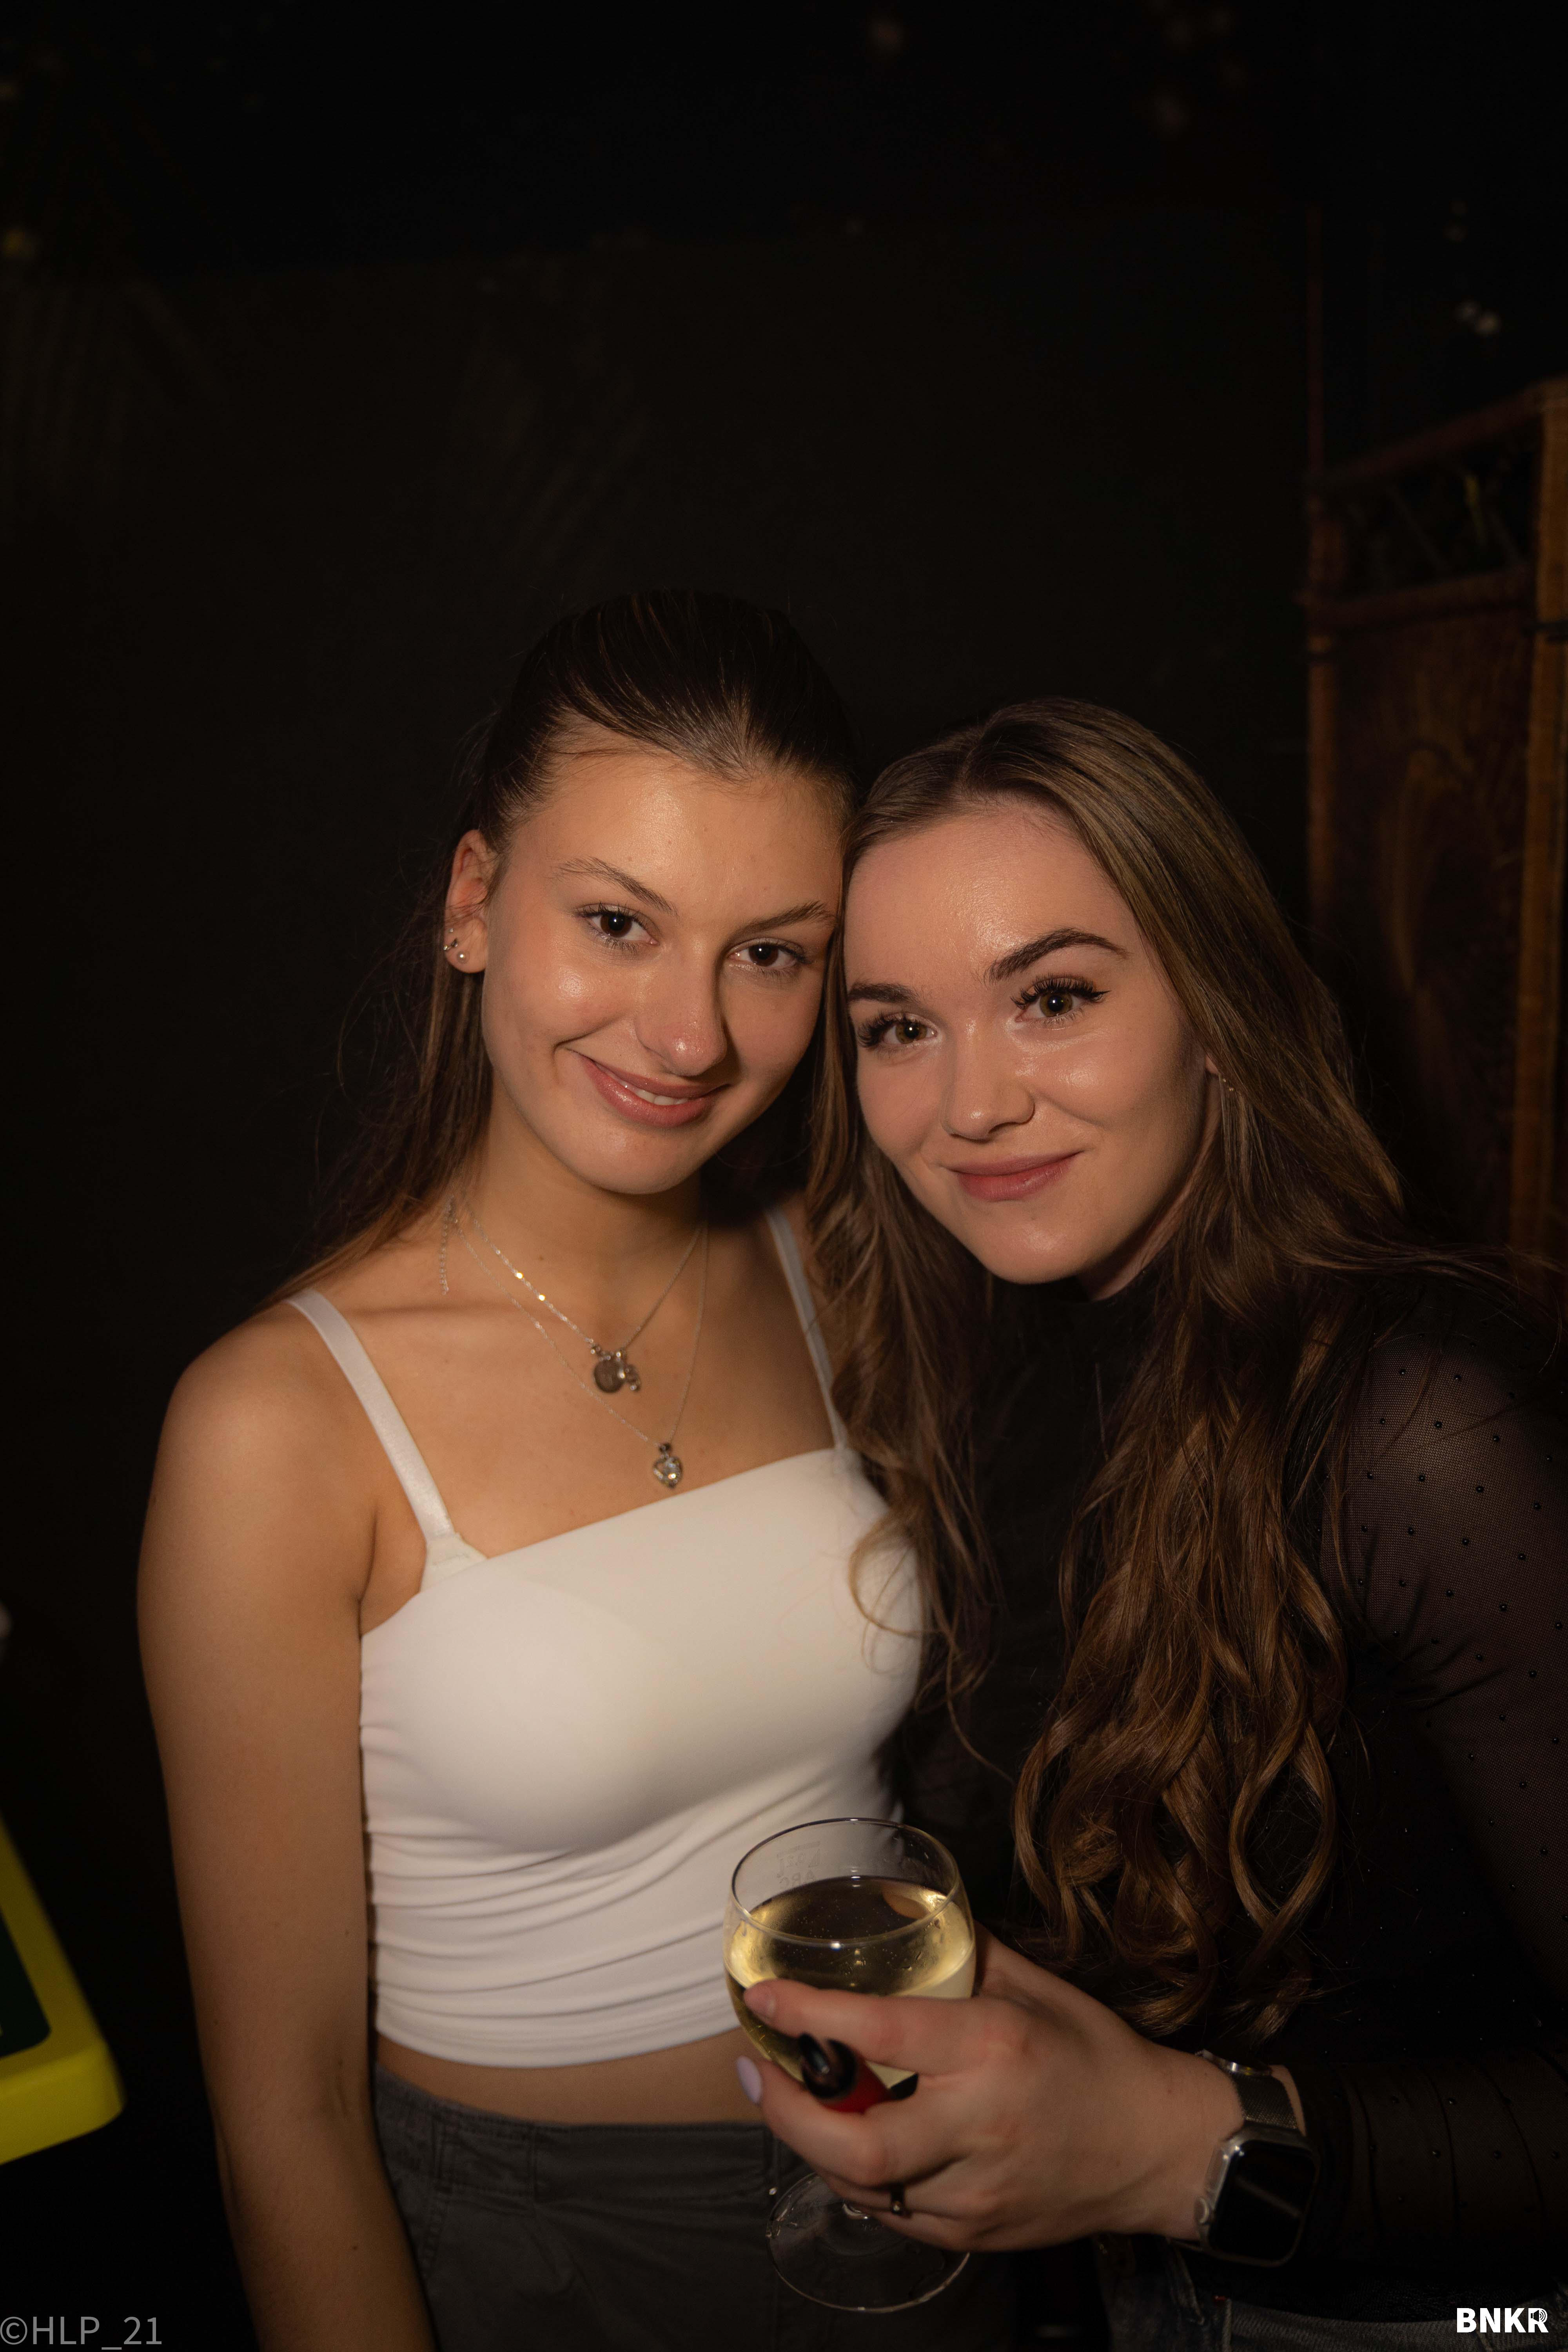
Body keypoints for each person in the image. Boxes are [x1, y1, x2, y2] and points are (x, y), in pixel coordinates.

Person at [138, 593, 1018, 2352]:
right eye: (617, 921)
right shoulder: (274, 1427)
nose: (689, 1034)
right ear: (474, 901)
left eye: (771, 954)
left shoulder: (837, 1271)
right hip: (536, 2259)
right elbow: (284, 2127)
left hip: (913, 2186)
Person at [737, 699, 1568, 2348]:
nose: (970, 1105)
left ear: (1217, 1008)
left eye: (1052, 998)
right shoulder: (980, 1350)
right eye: (898, 1027)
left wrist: (1184, 2146)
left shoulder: (1419, 1419)